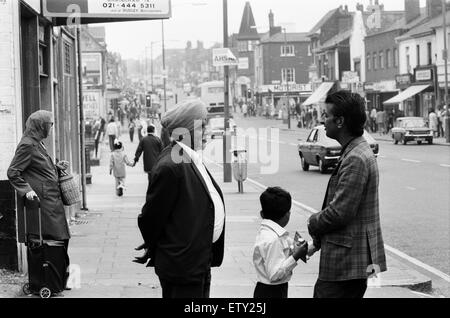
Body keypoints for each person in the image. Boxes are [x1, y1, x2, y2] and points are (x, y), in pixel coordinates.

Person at [138, 99, 225, 299]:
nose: (207, 131)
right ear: (186, 129)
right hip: (182, 267)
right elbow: (151, 217)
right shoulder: (171, 166)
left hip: (198, 261)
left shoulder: (188, 158)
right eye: (202, 126)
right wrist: (157, 247)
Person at [307, 91, 387, 298]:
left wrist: (313, 222)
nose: (322, 120)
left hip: (345, 263)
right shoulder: (356, 150)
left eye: (326, 115)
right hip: (351, 260)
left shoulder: (355, 158)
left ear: (340, 121)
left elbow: (340, 212)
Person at [7, 110, 71, 290]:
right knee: (54, 239)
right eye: (49, 124)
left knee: (62, 238)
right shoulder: (27, 145)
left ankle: (58, 279)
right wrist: (26, 190)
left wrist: (57, 168)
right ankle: (49, 280)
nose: (51, 127)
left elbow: (39, 168)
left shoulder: (38, 143)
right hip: (43, 203)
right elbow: (13, 171)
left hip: (52, 200)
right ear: (40, 125)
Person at [253, 187, 308, 299]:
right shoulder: (274, 239)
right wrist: (295, 256)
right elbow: (275, 274)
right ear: (287, 214)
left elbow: (289, 248)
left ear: (262, 214)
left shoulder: (268, 233)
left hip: (267, 290)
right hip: (272, 292)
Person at [134, 124, 164, 193]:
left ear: (147, 131)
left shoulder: (143, 139)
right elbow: (162, 151)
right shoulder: (158, 139)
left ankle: (151, 190)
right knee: (155, 177)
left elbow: (139, 150)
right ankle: (153, 190)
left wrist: (136, 159)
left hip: (147, 162)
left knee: (150, 177)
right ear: (153, 130)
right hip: (157, 163)